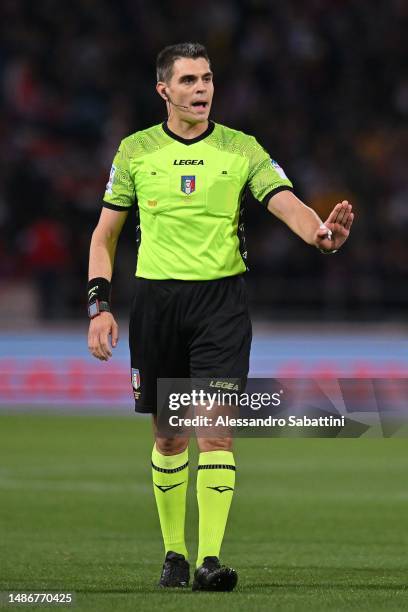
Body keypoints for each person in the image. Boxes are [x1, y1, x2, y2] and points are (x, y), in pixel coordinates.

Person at [87, 42, 354, 592]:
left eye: (207, 78)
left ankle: (209, 559)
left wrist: (320, 235)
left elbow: (285, 201)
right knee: (169, 438)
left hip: (221, 306)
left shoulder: (241, 148)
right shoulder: (135, 151)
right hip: (157, 304)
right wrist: (99, 307)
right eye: (187, 80)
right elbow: (105, 234)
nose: (201, 89)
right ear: (164, 90)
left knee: (215, 432)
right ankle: (174, 555)